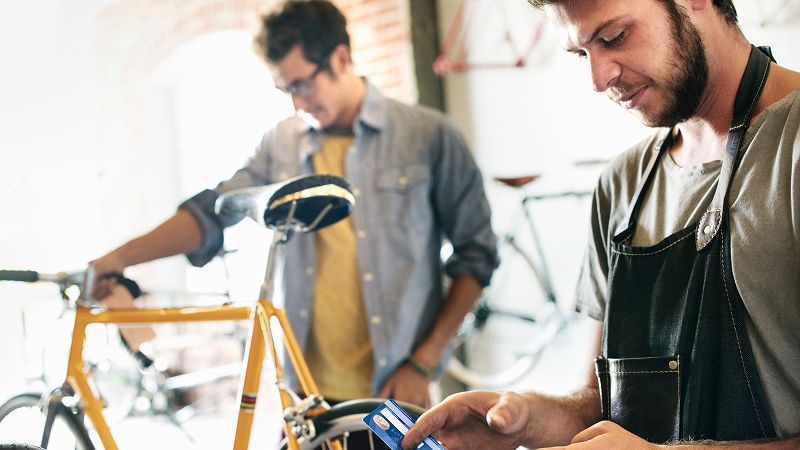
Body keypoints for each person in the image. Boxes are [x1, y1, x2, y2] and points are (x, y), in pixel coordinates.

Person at [402, 0, 800, 448]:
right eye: (580, 53)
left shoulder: (791, 147)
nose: (597, 79)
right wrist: (525, 418)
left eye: (613, 38)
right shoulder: (623, 184)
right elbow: (601, 403)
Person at [91, 0, 497, 409]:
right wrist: (120, 258)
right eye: (284, 90)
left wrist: (423, 364)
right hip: (305, 395)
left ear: (341, 58)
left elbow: (476, 256)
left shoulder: (428, 136)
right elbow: (215, 211)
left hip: (394, 390)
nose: (296, 104)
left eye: (301, 85)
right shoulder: (280, 143)